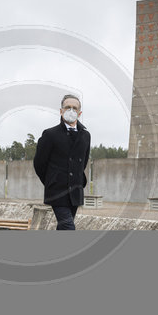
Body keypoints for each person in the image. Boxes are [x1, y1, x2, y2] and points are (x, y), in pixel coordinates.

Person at [33, 94, 91, 230]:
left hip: (75, 190)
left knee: (64, 226)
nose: (71, 110)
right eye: (67, 107)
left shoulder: (85, 135)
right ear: (61, 111)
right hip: (57, 190)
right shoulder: (50, 134)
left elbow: (83, 162)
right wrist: (51, 182)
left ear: (79, 113)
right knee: (68, 226)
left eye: (74, 108)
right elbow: (39, 164)